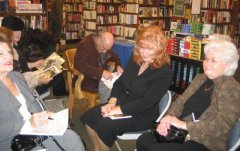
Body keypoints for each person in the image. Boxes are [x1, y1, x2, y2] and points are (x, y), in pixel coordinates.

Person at [136, 39, 240, 151]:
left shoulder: (232, 88)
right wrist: (166, 120)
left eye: (214, 61)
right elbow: (180, 102)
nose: (207, 64)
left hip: (204, 142)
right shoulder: (200, 78)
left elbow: (221, 126)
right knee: (144, 140)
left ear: (228, 64)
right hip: (180, 132)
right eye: (206, 59)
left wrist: (183, 125)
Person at [81, 26, 173, 151]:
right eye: (142, 47)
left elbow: (147, 102)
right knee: (89, 117)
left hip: (141, 114)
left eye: (149, 49)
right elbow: (120, 82)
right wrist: (112, 101)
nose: (144, 52)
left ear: (159, 49)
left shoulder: (164, 72)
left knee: (104, 126)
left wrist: (118, 109)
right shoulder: (136, 59)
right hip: (123, 102)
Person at [0, 29, 85, 151]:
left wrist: (46, 115)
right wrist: (28, 123)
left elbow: (33, 103)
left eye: (9, 52)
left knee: (73, 138)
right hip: (15, 141)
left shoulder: (16, 76)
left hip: (36, 128)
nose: (8, 56)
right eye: (1, 54)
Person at [1, 16, 69, 96]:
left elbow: (18, 66)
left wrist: (35, 64)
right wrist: (40, 80)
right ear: (6, 32)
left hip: (29, 77)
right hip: (28, 87)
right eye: (14, 31)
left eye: (20, 30)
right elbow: (18, 79)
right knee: (56, 71)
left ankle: (60, 94)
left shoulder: (11, 46)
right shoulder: (10, 50)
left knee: (55, 65)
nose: (18, 33)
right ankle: (61, 95)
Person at [74, 31, 123, 103]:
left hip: (101, 77)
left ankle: (113, 108)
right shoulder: (85, 45)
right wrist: (101, 72)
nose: (105, 51)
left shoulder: (104, 45)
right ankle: (107, 109)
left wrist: (119, 65)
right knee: (111, 90)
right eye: (104, 48)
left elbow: (114, 56)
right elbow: (79, 65)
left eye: (108, 49)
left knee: (119, 85)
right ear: (99, 40)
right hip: (88, 79)